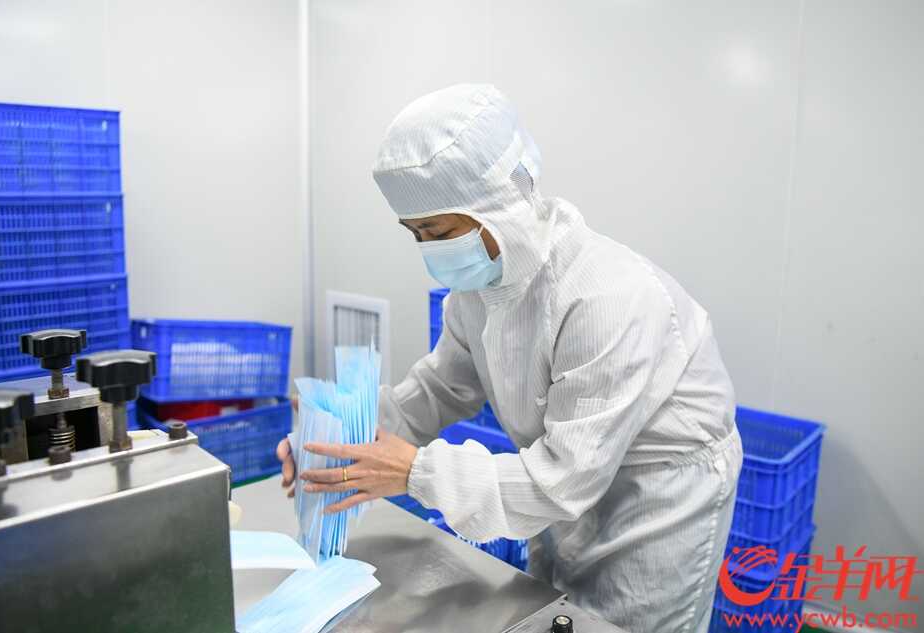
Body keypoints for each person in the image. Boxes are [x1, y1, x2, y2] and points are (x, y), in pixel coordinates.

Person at [276, 84, 743, 633]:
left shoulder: (606, 298)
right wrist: (338, 439)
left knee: (626, 623)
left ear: (498, 207)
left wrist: (414, 471)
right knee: (559, 614)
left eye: (437, 231)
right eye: (414, 233)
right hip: (568, 473)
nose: (428, 249)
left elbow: (562, 481)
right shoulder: (479, 290)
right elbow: (440, 389)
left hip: (657, 494)